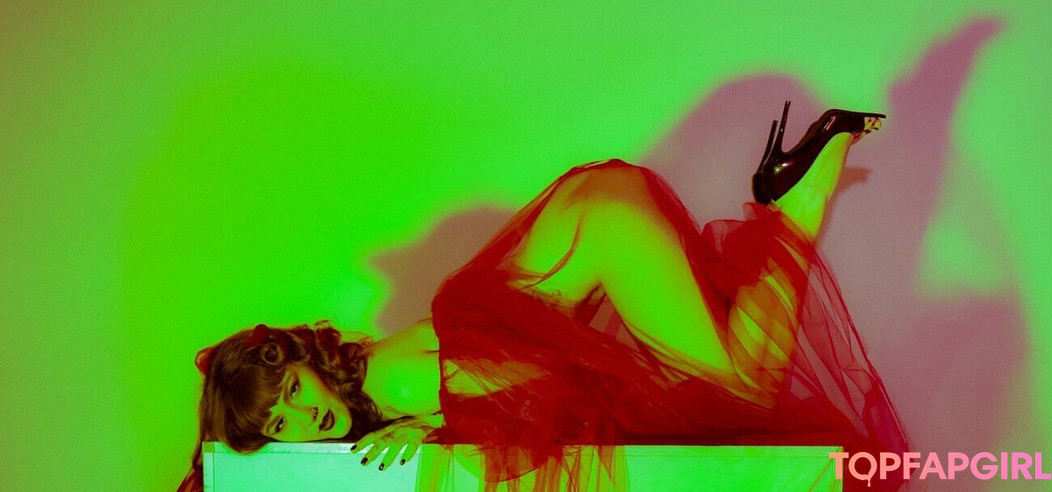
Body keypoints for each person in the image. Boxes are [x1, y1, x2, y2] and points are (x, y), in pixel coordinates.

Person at [178, 101, 912, 491]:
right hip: (596, 219)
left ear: (304, 361)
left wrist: (440, 432)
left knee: (740, 395)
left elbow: (536, 385)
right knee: (734, 391)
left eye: (292, 391)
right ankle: (790, 195)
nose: (304, 418)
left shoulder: (390, 383)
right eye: (279, 424)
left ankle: (793, 201)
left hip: (603, 228)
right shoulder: (380, 389)